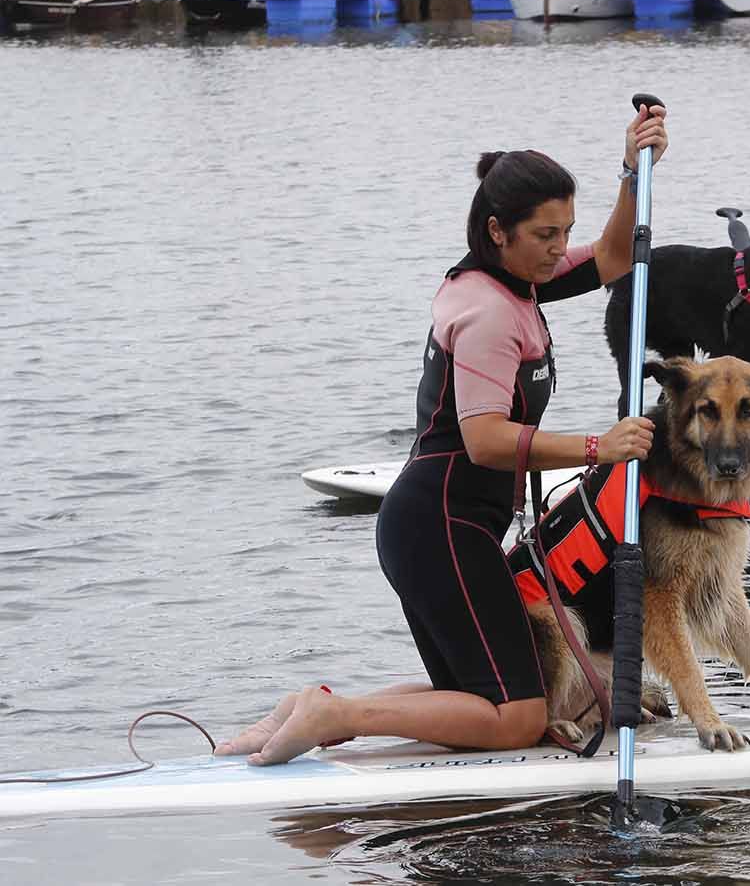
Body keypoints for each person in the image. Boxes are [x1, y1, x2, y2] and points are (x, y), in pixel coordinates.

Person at [215, 104, 668, 766]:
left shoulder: (516, 280)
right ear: (497, 230)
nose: (556, 247)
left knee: (474, 695)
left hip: (447, 524)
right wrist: (600, 446)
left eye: (563, 230)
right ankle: (333, 714)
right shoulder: (488, 309)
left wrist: (633, 171)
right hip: (441, 524)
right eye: (545, 233)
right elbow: (483, 438)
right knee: (517, 716)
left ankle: (310, 708)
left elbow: (614, 255)